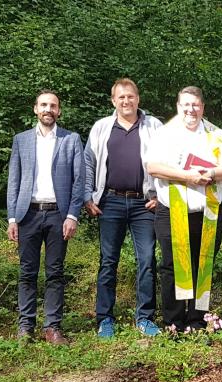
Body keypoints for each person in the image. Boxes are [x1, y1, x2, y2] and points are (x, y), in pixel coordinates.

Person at [146, 86, 222, 331]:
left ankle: (197, 320)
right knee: (171, 265)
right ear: (178, 107)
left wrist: (212, 173)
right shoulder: (165, 133)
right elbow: (153, 167)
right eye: (186, 105)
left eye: (195, 105)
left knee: (203, 263)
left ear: (202, 107)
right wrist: (187, 176)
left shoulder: (215, 134)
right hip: (171, 210)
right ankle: (173, 322)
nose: (191, 109)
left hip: (207, 213)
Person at [84, 78, 164, 338]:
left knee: (147, 260)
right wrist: (87, 196)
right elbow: (89, 163)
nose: (126, 101)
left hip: (144, 203)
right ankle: (105, 318)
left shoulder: (154, 126)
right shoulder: (102, 127)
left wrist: (161, 196)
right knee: (108, 261)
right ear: (113, 101)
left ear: (138, 99)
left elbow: (169, 162)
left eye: (130, 96)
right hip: (110, 202)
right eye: (121, 97)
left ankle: (145, 317)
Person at [7, 90, 84, 345]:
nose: (48, 109)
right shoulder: (21, 140)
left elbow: (78, 181)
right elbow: (14, 181)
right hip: (27, 214)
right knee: (27, 272)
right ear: (35, 109)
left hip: (58, 215)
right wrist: (11, 219)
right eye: (43, 105)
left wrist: (72, 215)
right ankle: (25, 327)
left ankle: (52, 327)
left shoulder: (71, 140)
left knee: (55, 272)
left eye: (52, 105)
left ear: (58, 111)